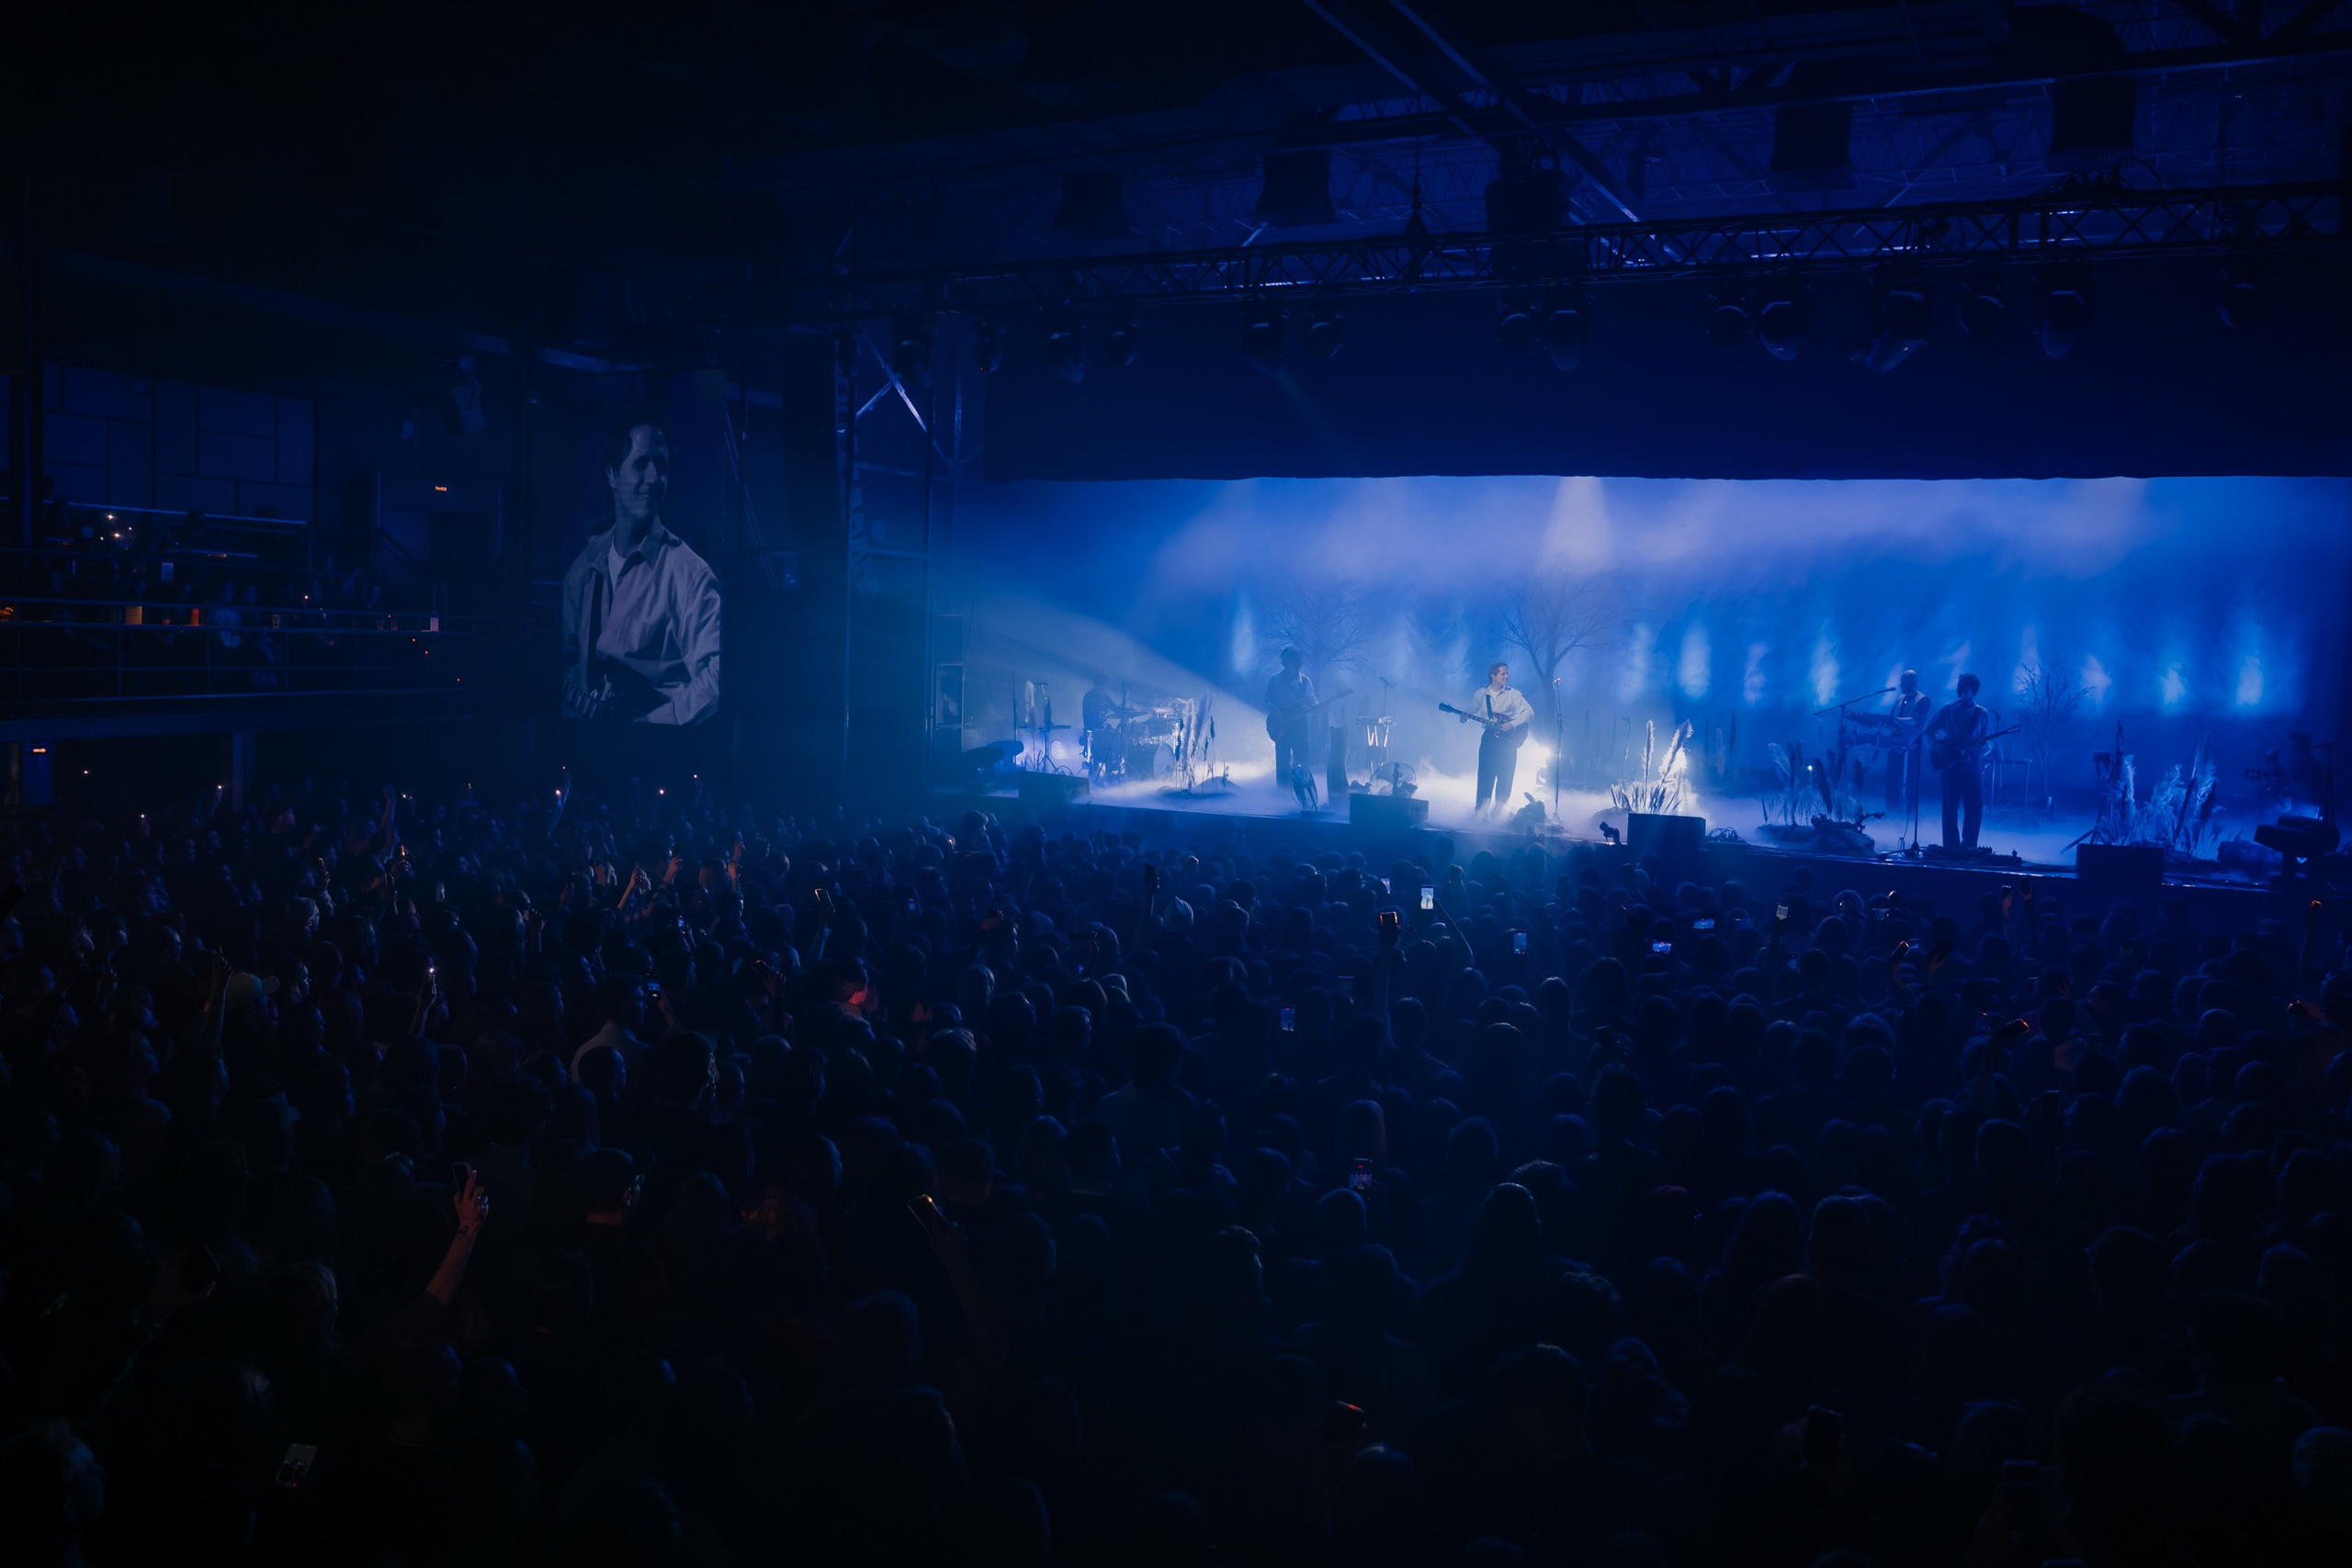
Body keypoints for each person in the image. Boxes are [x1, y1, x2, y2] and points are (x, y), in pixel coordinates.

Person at [560, 412, 723, 725]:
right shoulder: (583, 569)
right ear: (612, 473)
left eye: (661, 466)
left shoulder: (690, 575)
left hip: (658, 747)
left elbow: (717, 680)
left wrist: (652, 724)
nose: (653, 478)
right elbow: (570, 667)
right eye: (641, 464)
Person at [1927, 671, 1992, 851]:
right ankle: (1950, 846)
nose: (1960, 689)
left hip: (1972, 763)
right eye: (1959, 685)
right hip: (1950, 764)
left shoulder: (1982, 714)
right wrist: (1937, 749)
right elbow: (1928, 730)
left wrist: (1976, 747)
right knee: (1949, 805)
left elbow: (1988, 744)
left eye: (1964, 686)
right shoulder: (1948, 709)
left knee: (1976, 803)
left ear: (1973, 690)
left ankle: (1969, 845)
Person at [1459, 661, 1533, 818]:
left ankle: (1498, 814)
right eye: (1503, 674)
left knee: (1505, 778)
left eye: (1507, 673)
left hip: (1508, 742)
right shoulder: (1481, 694)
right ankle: (1480, 814)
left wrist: (1512, 724)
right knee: (1485, 777)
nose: (1506, 676)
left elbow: (1529, 713)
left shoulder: (1514, 694)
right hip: (1489, 740)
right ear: (1493, 675)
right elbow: (1474, 708)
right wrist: (1465, 715)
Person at [1265, 647, 1317, 788]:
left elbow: (1311, 699)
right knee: (1282, 760)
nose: (1290, 663)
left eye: (1295, 660)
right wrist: (1276, 712)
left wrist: (1317, 706)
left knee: (1302, 759)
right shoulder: (1275, 680)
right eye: (1288, 659)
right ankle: (1282, 792)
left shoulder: (1305, 681)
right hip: (1281, 723)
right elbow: (1267, 699)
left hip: (1300, 724)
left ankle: (1302, 790)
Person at [1885, 669, 1932, 820]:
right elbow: (1891, 716)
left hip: (1911, 746)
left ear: (1913, 682)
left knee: (1909, 779)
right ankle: (1892, 810)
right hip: (1895, 744)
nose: (1900, 685)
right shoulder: (1900, 698)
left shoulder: (1923, 700)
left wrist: (1895, 721)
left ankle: (1909, 813)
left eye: (1903, 682)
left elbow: (1916, 720)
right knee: (1892, 777)